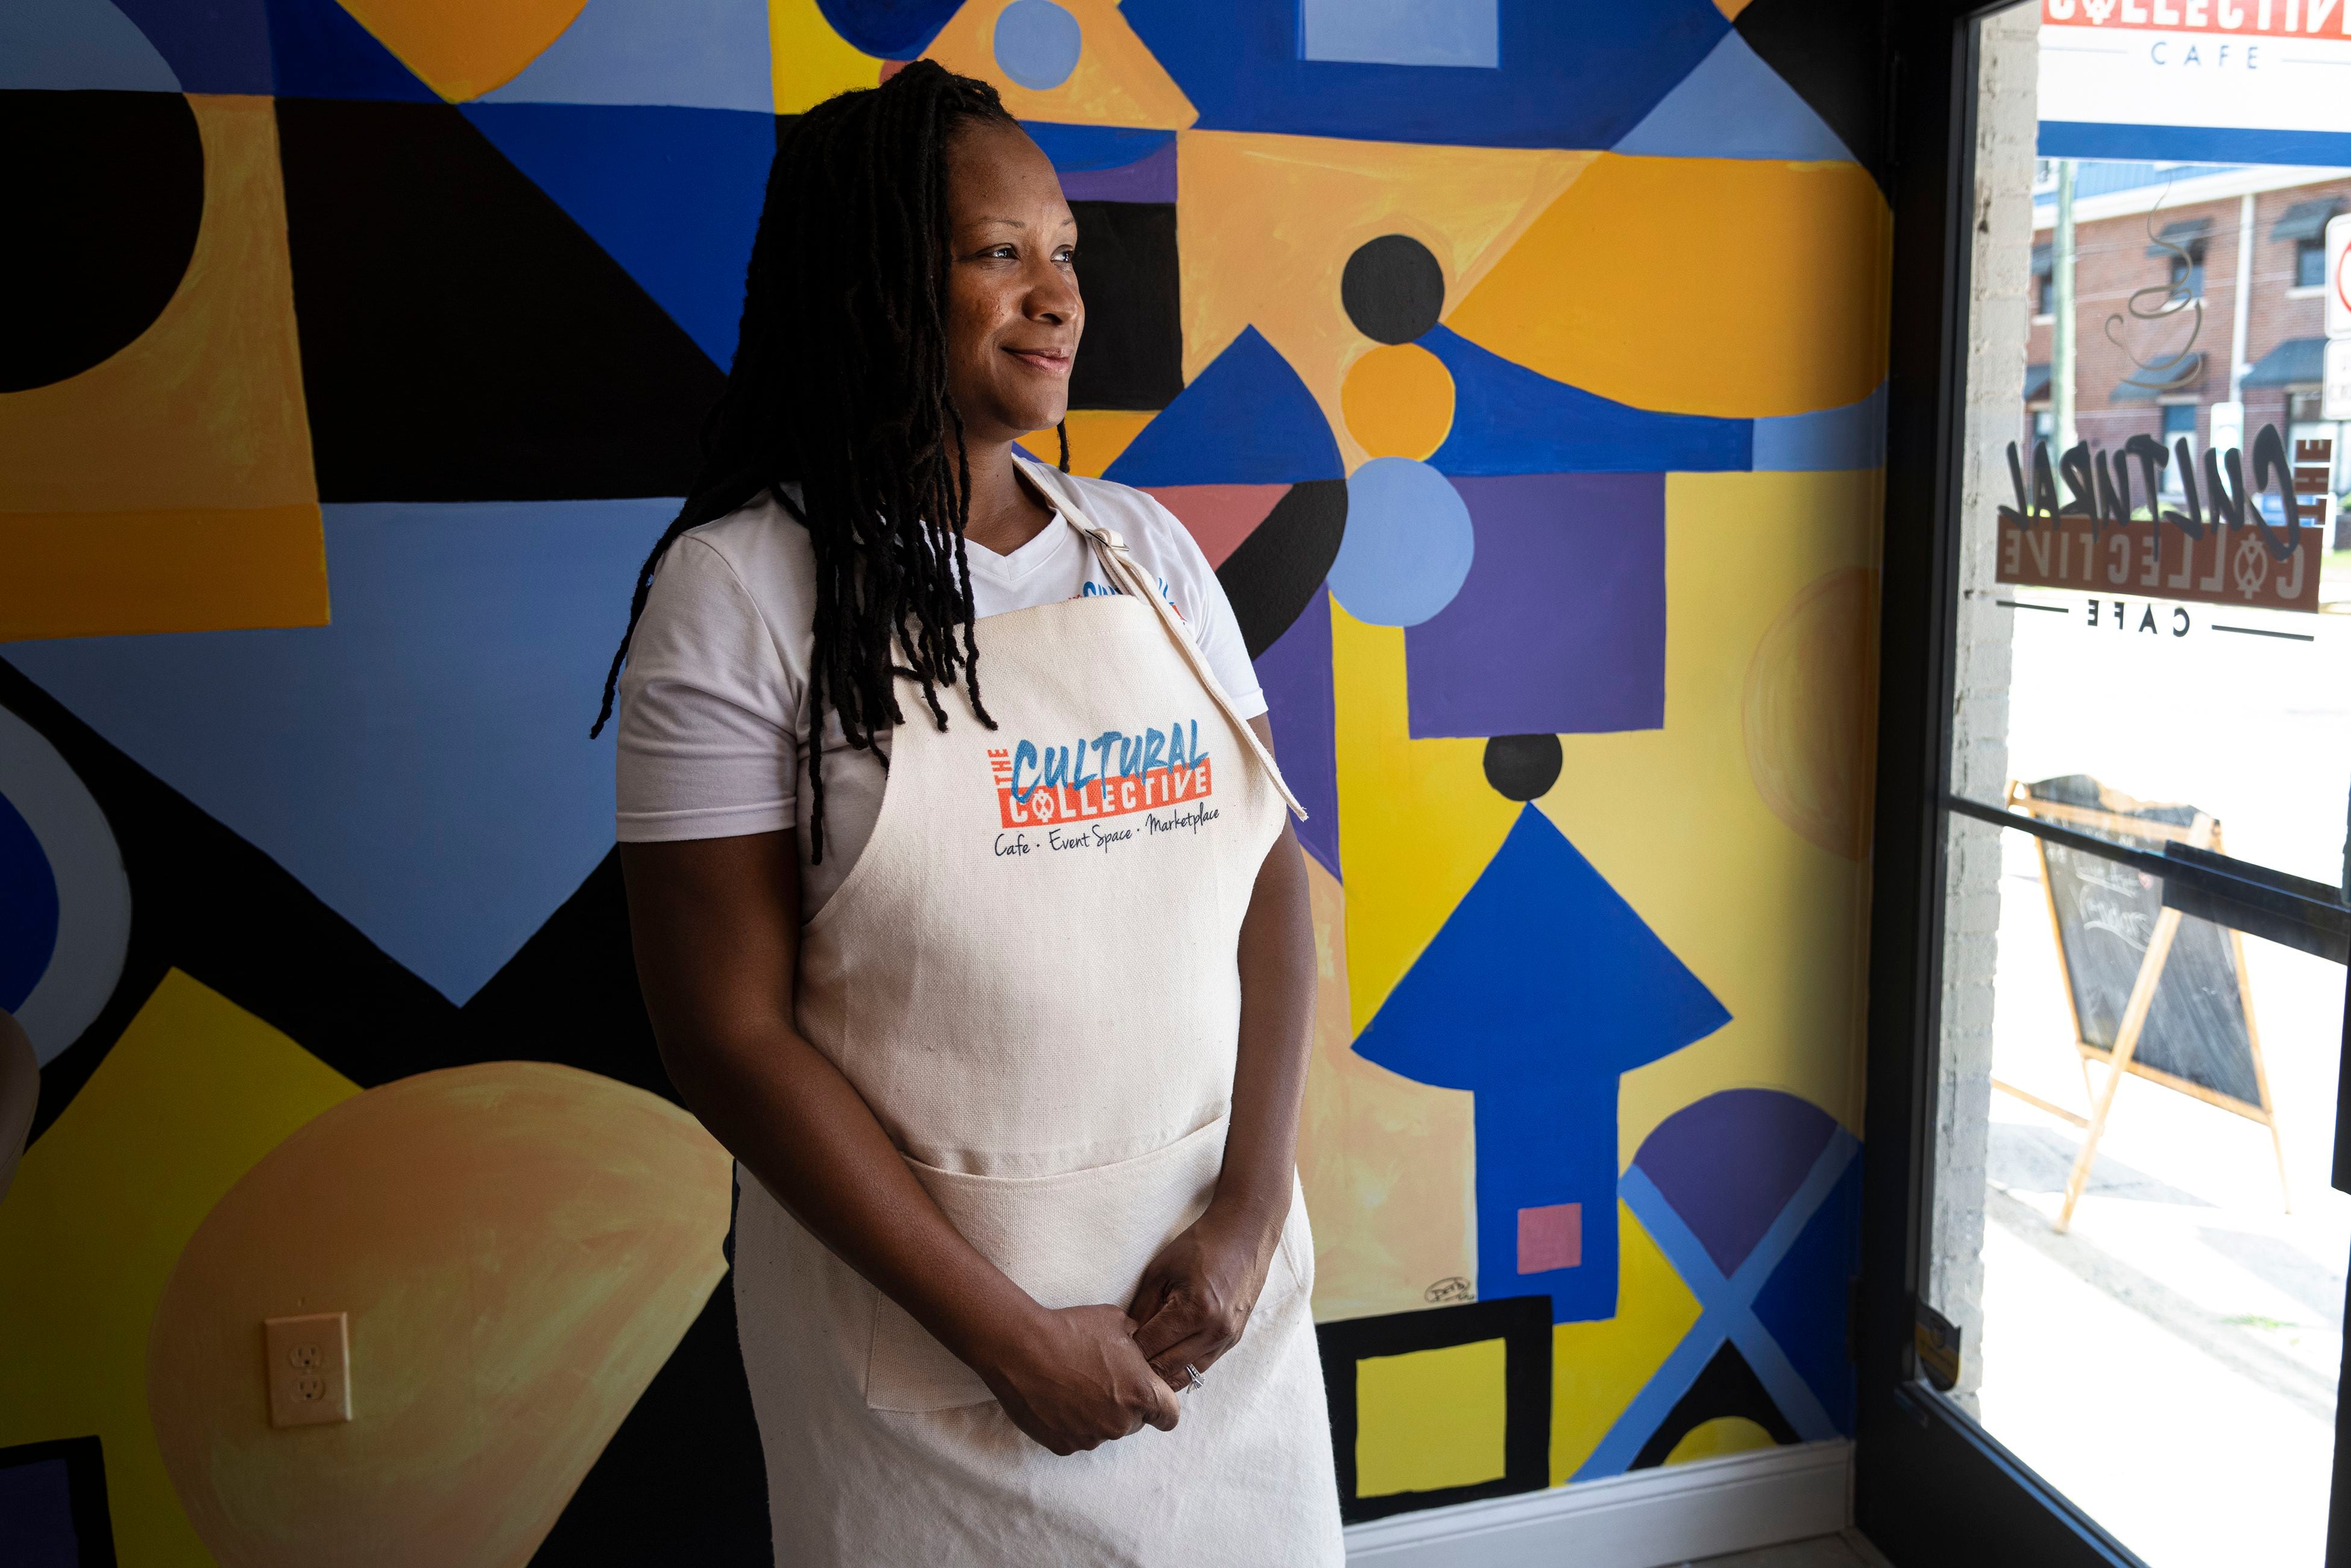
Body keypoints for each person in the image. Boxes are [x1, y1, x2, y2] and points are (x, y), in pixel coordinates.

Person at [597, 61, 1344, 1566]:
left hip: (1213, 1301)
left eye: (1063, 250)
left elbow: (1274, 874)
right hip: (932, 1355)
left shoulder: (1145, 552)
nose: (1059, 296)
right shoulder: (740, 595)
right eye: (999, 253)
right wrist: (1004, 1333)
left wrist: (1251, 1213)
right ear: (874, 283)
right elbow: (724, 1035)